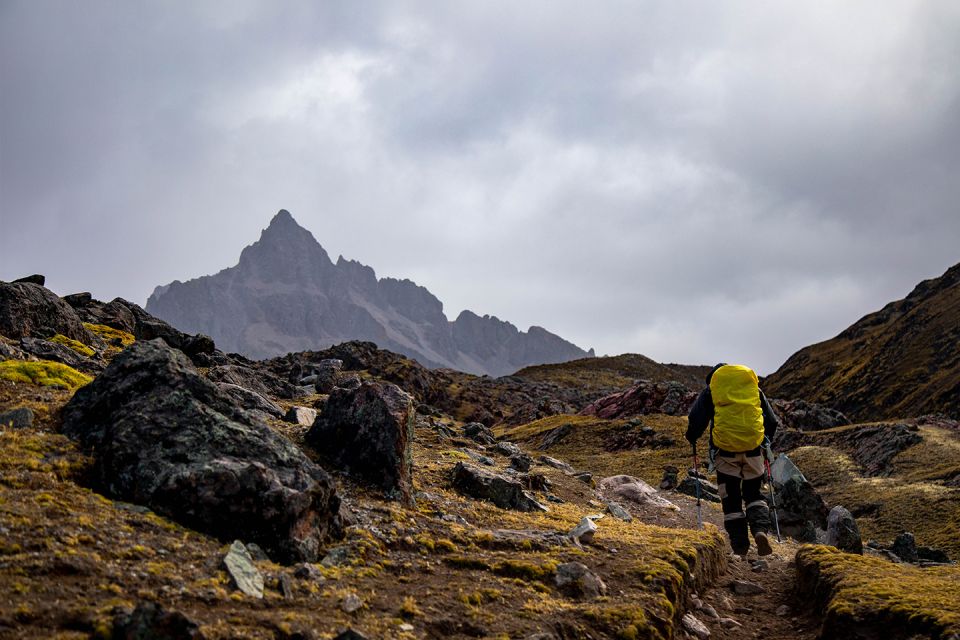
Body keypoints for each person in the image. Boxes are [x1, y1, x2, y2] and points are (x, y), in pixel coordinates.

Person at [686, 363, 780, 557]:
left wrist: (691, 437)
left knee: (731, 500)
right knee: (754, 494)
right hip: (753, 451)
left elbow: (697, 419)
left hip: (725, 453)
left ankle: (740, 548)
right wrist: (765, 442)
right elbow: (771, 421)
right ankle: (760, 531)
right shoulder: (754, 389)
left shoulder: (711, 391)